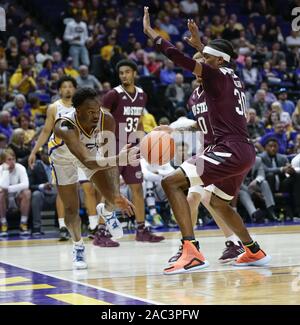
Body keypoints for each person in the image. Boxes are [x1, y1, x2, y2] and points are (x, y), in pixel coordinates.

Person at [143, 7, 271, 274]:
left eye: (204, 57)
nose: (199, 60)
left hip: (228, 149)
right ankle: (253, 250)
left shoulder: (218, 76)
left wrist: (154, 36)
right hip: (240, 149)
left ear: (218, 61)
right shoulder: (223, 81)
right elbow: (203, 118)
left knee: (170, 182)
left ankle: (190, 251)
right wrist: (175, 127)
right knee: (218, 203)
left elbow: (176, 55)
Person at [51, 87, 138, 269]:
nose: (95, 115)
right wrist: (119, 158)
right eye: (90, 112)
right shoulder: (64, 126)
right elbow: (88, 162)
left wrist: (116, 195)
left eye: (97, 110)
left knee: (115, 198)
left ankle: (106, 212)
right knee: (70, 208)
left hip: (91, 154)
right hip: (63, 157)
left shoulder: (106, 119)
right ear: (78, 111)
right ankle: (78, 246)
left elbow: (108, 161)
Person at [168, 57, 244, 265]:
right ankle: (231, 243)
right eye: (196, 64)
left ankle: (191, 247)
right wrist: (176, 128)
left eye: (202, 62)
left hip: (222, 151)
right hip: (206, 152)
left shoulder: (218, 87)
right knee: (203, 199)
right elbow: (201, 125)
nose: (197, 68)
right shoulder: (194, 96)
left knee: (200, 199)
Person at [28, 76, 99, 242]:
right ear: (59, 90)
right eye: (64, 86)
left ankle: (94, 225)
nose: (67, 89)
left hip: (79, 151)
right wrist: (34, 151)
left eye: (70, 86)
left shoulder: (82, 107)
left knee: (88, 187)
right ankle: (62, 226)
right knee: (64, 191)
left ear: (75, 89)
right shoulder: (54, 107)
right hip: (60, 153)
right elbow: (46, 131)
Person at [102, 59, 164, 243]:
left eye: (127, 72)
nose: (124, 76)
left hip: (131, 146)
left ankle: (141, 229)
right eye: (121, 73)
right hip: (114, 145)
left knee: (137, 187)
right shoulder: (113, 94)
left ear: (134, 73)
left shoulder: (142, 95)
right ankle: (100, 232)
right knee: (111, 190)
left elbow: (137, 121)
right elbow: (101, 120)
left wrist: (140, 140)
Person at [0, 149, 31, 236]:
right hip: (5, 199)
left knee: (27, 192)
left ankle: (23, 223)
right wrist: (6, 171)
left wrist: (8, 189)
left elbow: (26, 185)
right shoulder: (0, 169)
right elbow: (2, 186)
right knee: (1, 194)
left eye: (13, 159)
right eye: (9, 160)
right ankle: (3, 224)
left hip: (18, 198)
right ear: (3, 161)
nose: (12, 162)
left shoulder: (20, 168)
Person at [28, 146, 57, 235]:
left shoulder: (57, 165)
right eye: (47, 155)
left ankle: (63, 225)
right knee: (36, 195)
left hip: (56, 192)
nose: (49, 157)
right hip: (42, 194)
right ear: (42, 155)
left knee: (65, 194)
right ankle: (36, 227)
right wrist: (42, 186)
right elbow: (30, 185)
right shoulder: (35, 166)